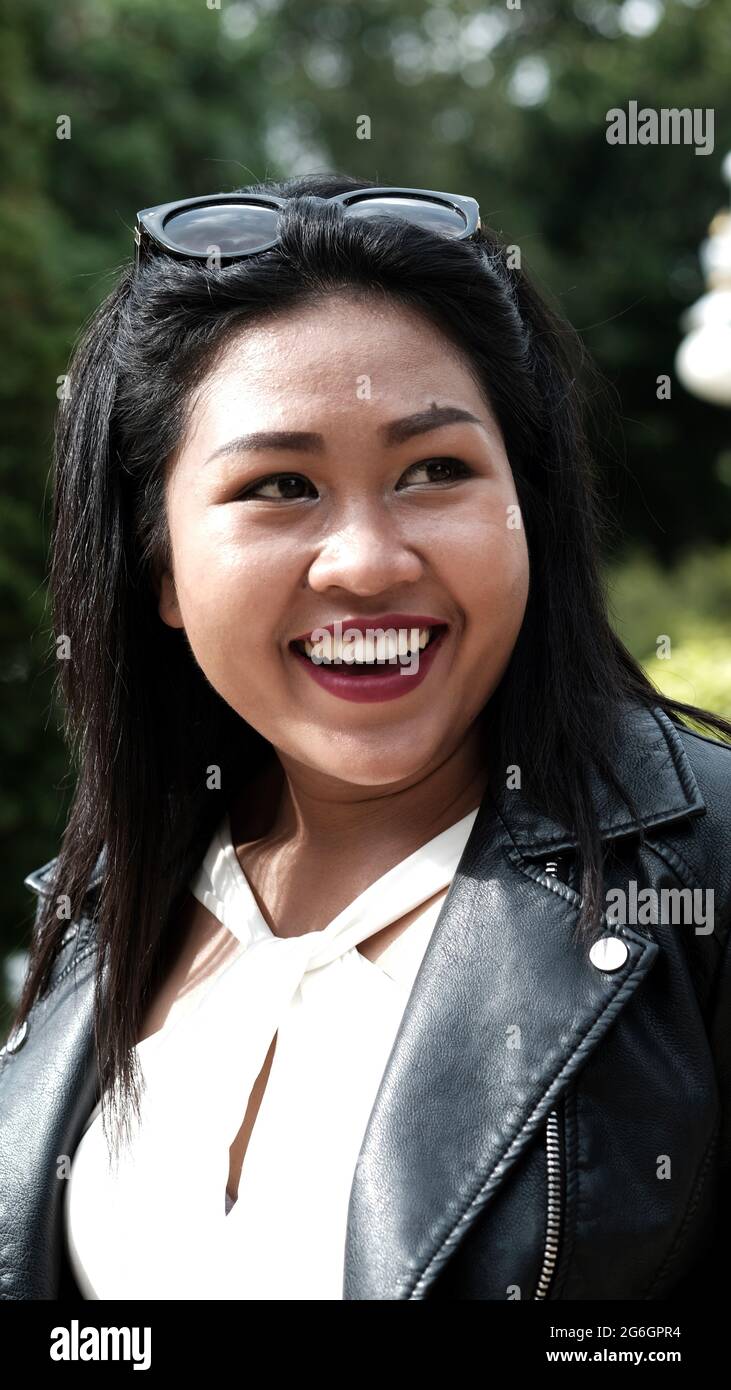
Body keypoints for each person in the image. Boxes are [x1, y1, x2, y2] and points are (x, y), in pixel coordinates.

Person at [1, 173, 730, 1301]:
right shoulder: (108, 897)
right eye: (280, 484)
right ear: (160, 567)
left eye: (433, 471)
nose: (367, 560)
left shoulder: (700, 881)